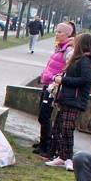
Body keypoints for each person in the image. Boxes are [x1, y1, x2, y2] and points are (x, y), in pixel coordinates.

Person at [45, 32, 91, 171]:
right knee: (60, 126)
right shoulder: (79, 59)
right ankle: (61, 156)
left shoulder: (85, 61)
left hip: (75, 100)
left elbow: (84, 80)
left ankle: (68, 158)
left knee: (67, 128)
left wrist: (63, 80)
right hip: (67, 98)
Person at [33, 22, 74, 158]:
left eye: (59, 32)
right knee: (41, 114)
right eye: (56, 31)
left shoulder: (69, 50)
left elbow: (67, 69)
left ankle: (47, 145)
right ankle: (43, 142)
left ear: (67, 34)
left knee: (45, 115)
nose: (56, 34)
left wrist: (54, 78)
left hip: (53, 87)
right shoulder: (59, 47)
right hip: (48, 84)